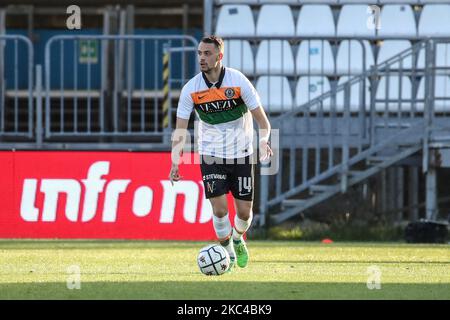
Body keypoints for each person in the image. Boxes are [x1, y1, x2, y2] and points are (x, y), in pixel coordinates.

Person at [169, 35, 273, 272]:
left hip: (242, 153)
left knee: (245, 214)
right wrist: (176, 162)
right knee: (219, 209)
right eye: (199, 53)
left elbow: (263, 123)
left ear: (219, 56)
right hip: (210, 154)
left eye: (207, 53)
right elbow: (180, 130)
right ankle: (226, 251)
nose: (202, 58)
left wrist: (265, 140)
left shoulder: (238, 82)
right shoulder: (191, 90)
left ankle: (237, 239)